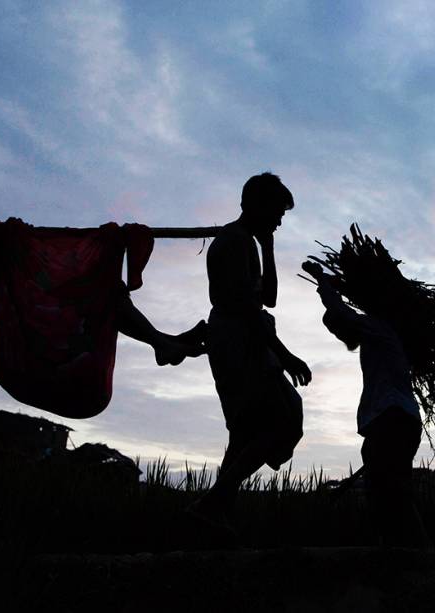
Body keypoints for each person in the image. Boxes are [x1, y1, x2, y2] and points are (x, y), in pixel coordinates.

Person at [188, 173, 311, 532]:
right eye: (277, 212)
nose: (279, 220)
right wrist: (285, 356)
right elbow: (246, 308)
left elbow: (268, 297)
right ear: (257, 205)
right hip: (239, 341)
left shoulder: (250, 243)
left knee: (245, 434)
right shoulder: (234, 241)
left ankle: (216, 513)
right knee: (283, 420)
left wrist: (269, 248)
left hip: (246, 339)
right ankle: (213, 502)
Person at [302, 259, 431, 549]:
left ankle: (419, 555)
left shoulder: (379, 328)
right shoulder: (383, 337)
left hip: (392, 419)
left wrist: (321, 279)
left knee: (391, 491)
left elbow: (340, 311)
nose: (340, 336)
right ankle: (399, 552)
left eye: (338, 330)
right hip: (396, 420)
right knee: (388, 490)